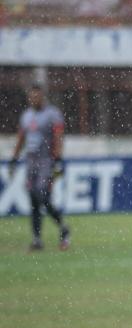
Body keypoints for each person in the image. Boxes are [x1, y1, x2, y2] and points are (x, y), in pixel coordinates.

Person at [9, 84, 70, 252]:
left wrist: (58, 160)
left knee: (42, 195)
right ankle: (37, 239)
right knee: (33, 200)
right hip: (31, 163)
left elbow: (58, 137)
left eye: (36, 96)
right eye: (31, 97)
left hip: (46, 162)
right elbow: (21, 138)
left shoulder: (52, 114)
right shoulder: (27, 116)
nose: (33, 99)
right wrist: (14, 159)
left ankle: (63, 227)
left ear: (42, 97)